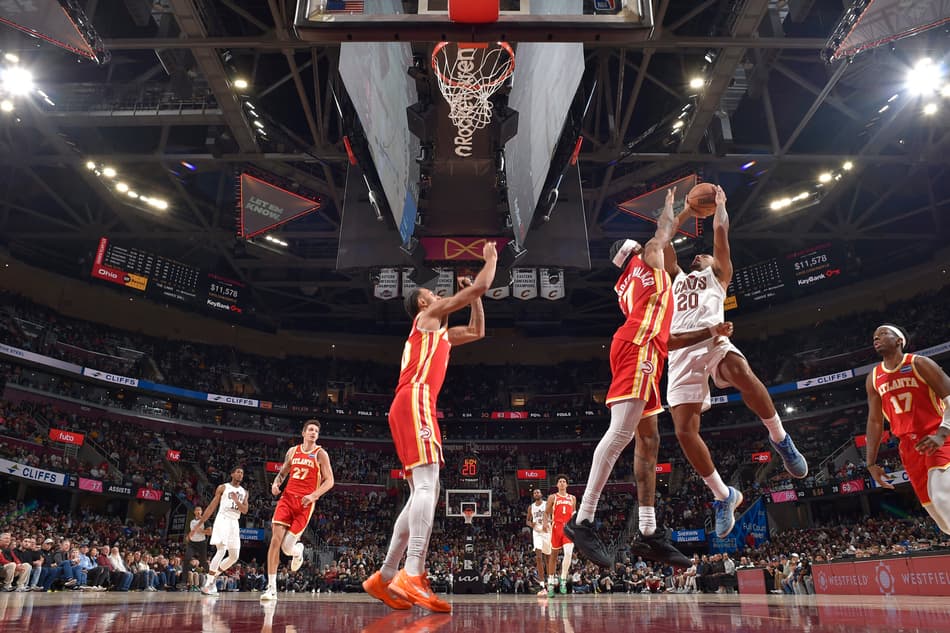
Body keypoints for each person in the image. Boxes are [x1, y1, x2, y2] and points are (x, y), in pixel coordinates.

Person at [565, 187, 731, 569]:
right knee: (621, 433)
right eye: (645, 245)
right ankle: (584, 518)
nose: (653, 245)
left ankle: (647, 532)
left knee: (649, 438)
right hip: (637, 348)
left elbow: (669, 339)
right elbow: (664, 230)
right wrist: (682, 208)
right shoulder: (650, 262)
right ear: (637, 253)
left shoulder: (626, 287)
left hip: (647, 348)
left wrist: (710, 333)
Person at [663, 185, 807, 538]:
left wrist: (721, 207)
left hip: (714, 340)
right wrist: (682, 211)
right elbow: (663, 243)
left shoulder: (719, 275)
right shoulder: (675, 279)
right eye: (695, 255)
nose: (699, 256)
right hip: (681, 352)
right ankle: (724, 496)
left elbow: (721, 233)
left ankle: (780, 438)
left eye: (705, 255)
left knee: (740, 371)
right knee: (684, 432)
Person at [363, 241, 497, 614]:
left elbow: (477, 330)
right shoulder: (427, 318)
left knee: (424, 490)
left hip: (408, 404)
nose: (437, 295)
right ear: (423, 303)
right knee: (428, 485)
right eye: (432, 294)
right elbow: (480, 287)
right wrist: (491, 261)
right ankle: (414, 570)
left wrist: (473, 297)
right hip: (416, 398)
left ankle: (386, 575)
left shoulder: (439, 334)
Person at [865, 324, 950, 534]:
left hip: (936, 435)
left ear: (899, 340)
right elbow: (875, 421)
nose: (877, 338)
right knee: (940, 517)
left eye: (883, 334)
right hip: (909, 446)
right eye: (875, 336)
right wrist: (871, 462)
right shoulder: (874, 377)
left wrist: (942, 433)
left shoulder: (920, 363)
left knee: (942, 497)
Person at [261, 419, 335, 601]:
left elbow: (330, 481)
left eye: (316, 431)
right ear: (303, 433)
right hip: (286, 499)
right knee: (275, 541)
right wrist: (276, 483)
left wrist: (314, 495)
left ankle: (297, 550)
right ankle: (271, 588)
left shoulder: (320, 454)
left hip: (304, 504)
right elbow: (283, 472)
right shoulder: (293, 451)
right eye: (310, 429)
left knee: (287, 548)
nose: (313, 433)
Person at [190, 466, 248, 596]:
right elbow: (211, 507)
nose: (240, 474)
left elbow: (245, 510)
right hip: (223, 519)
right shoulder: (223, 487)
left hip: (234, 522)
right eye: (238, 472)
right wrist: (200, 523)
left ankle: (213, 578)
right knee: (221, 550)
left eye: (242, 473)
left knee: (234, 556)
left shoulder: (244, 492)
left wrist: (236, 500)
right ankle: (208, 584)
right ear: (232, 474)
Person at [544, 475, 575, 597]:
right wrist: (546, 523)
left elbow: (573, 514)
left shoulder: (572, 498)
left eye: (564, 481)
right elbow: (546, 513)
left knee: (568, 553)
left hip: (568, 528)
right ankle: (551, 583)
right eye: (560, 481)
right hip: (556, 528)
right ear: (557, 485)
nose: (562, 483)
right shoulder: (553, 497)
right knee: (553, 556)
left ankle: (563, 580)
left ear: (567, 484)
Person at [525, 488, 550, 596]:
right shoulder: (531, 507)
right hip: (537, 532)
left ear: (541, 494)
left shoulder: (547, 504)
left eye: (538, 492)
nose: (536, 493)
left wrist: (548, 523)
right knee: (539, 557)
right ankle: (542, 586)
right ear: (533, 495)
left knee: (548, 559)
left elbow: (553, 516)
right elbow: (527, 521)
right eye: (534, 492)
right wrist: (532, 525)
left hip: (547, 531)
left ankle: (550, 585)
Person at [185, 505, 209, 571]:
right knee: (187, 558)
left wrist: (201, 531)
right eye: (197, 510)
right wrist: (188, 536)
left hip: (201, 543)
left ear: (201, 512)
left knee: (203, 561)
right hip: (192, 543)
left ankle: (209, 573)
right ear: (194, 512)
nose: (198, 511)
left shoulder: (205, 520)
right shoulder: (192, 522)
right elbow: (191, 531)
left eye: (199, 510)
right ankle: (185, 578)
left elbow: (210, 532)